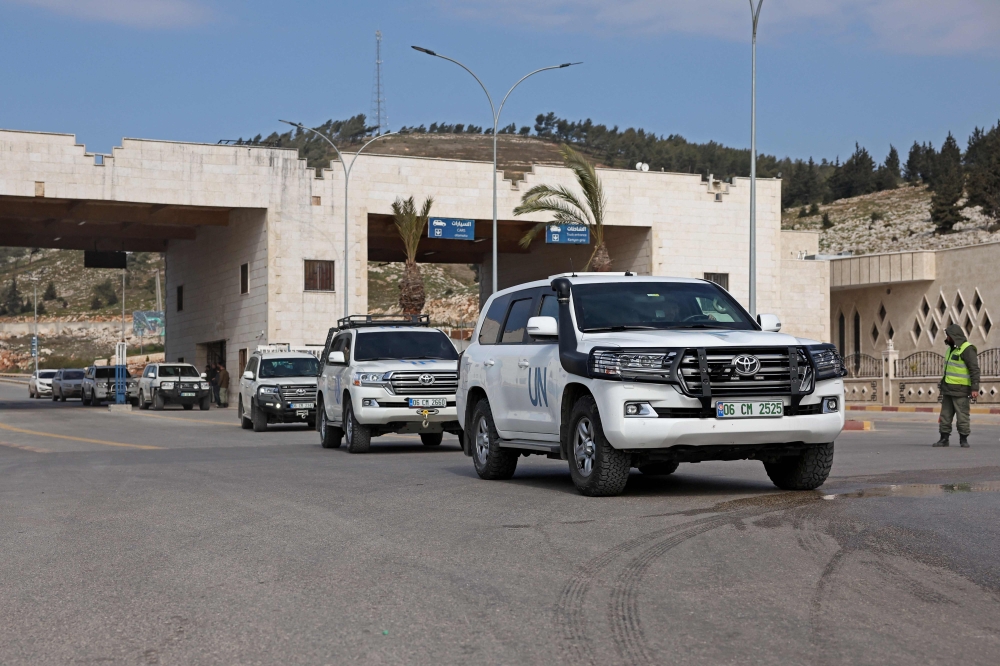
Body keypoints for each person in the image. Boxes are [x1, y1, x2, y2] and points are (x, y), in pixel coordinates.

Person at [932, 324, 980, 448]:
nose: (947, 338)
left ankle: (963, 439)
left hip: (961, 390)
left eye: (948, 336)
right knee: (945, 416)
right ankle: (944, 439)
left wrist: (975, 388)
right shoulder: (950, 349)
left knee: (962, 416)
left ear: (954, 336)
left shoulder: (967, 349)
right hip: (948, 389)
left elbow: (974, 369)